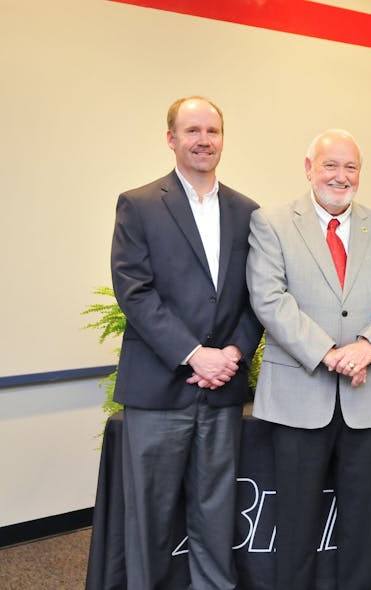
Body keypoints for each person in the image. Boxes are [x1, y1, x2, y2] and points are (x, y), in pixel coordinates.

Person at [246, 129, 371, 589]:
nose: (341, 177)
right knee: (297, 523)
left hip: (364, 402)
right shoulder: (272, 222)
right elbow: (269, 298)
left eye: (351, 167)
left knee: (360, 525)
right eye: (330, 165)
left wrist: (368, 346)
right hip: (299, 398)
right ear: (308, 168)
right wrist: (328, 354)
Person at [110, 96, 262, 589]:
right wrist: (196, 354)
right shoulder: (139, 204)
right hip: (158, 389)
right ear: (171, 138)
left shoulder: (248, 212)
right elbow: (134, 291)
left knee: (216, 516)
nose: (203, 140)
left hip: (222, 391)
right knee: (150, 522)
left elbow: (257, 297)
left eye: (212, 131)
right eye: (192, 130)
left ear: (223, 138)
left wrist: (232, 355)